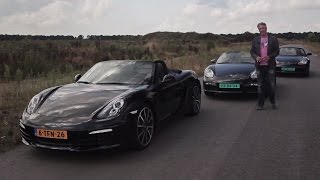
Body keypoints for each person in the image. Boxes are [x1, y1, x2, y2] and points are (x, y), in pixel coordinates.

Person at [250, 22, 279, 110]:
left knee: (271, 85)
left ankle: (273, 102)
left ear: (266, 28)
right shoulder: (255, 40)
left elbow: (277, 51)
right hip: (259, 67)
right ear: (258, 29)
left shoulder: (273, 39)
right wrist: (256, 57)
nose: (262, 30)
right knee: (260, 86)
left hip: (270, 66)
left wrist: (269, 56)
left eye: (263, 28)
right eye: (260, 28)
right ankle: (260, 104)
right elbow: (252, 52)